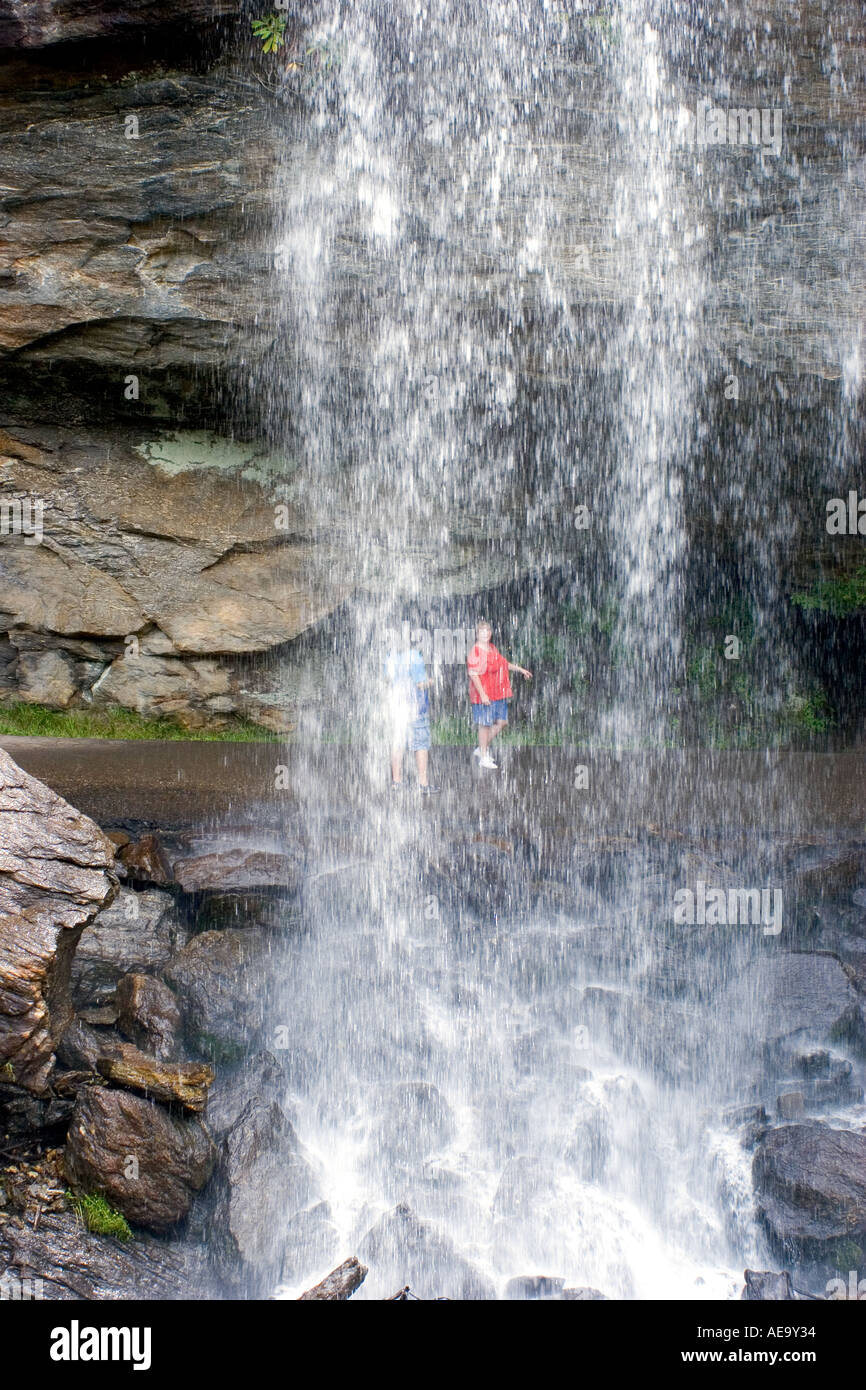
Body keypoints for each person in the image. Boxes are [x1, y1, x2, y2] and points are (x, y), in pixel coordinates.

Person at [466, 619, 532, 769]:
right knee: (485, 724)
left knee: (502, 722)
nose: (485, 634)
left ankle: (481, 749)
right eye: (481, 631)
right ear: (477, 634)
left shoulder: (491, 648)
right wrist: (483, 695)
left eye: (487, 631)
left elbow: (504, 664)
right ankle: (483, 756)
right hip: (484, 694)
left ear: (490, 633)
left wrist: (520, 670)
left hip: (497, 692)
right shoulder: (476, 651)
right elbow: (473, 674)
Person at [384, 643, 437, 793]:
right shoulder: (413, 656)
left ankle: (396, 782)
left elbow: (387, 680)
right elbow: (420, 684)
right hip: (415, 707)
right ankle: (423, 784)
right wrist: (431, 681)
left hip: (396, 706)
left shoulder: (390, 656)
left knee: (397, 742)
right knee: (420, 743)